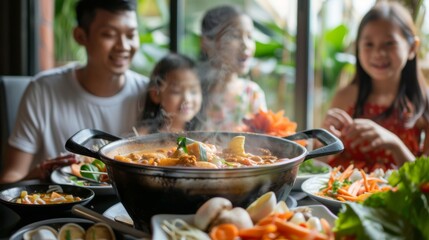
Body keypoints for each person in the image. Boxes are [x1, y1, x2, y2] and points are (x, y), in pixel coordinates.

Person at [0, 0, 148, 183]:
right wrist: (42, 172)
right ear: (80, 36)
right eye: (109, 35)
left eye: (131, 35)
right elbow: (9, 179)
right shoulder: (43, 90)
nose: (124, 46)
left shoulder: (149, 93)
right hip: (62, 205)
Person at [321, 1, 429, 172]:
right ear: (358, 48)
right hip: (337, 195)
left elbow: (424, 178)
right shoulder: (345, 96)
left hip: (395, 197)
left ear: (412, 48)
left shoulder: (423, 103)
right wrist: (324, 138)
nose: (378, 53)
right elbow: (319, 163)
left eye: (389, 44)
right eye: (369, 44)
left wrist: (394, 143)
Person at [199, 5, 267, 131]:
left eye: (250, 36)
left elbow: (266, 142)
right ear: (207, 43)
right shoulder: (193, 91)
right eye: (235, 36)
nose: (246, 45)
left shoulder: (252, 94)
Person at [138, 53, 203, 134]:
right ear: (156, 94)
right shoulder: (144, 135)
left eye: (193, 91)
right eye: (176, 91)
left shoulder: (205, 133)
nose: (187, 99)